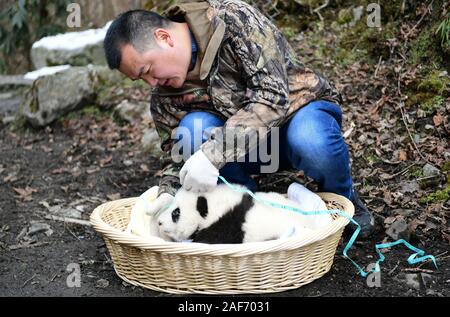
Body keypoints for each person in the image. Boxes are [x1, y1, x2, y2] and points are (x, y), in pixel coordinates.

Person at [103, 0, 375, 238]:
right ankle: (248, 206)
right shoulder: (163, 97)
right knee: (192, 130)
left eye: (148, 69)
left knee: (311, 140)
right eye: (142, 79)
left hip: (298, 119)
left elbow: (272, 96)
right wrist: (168, 192)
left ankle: (343, 202)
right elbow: (176, 155)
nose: (152, 81)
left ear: (164, 37)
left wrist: (212, 155)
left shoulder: (232, 19)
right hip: (249, 153)